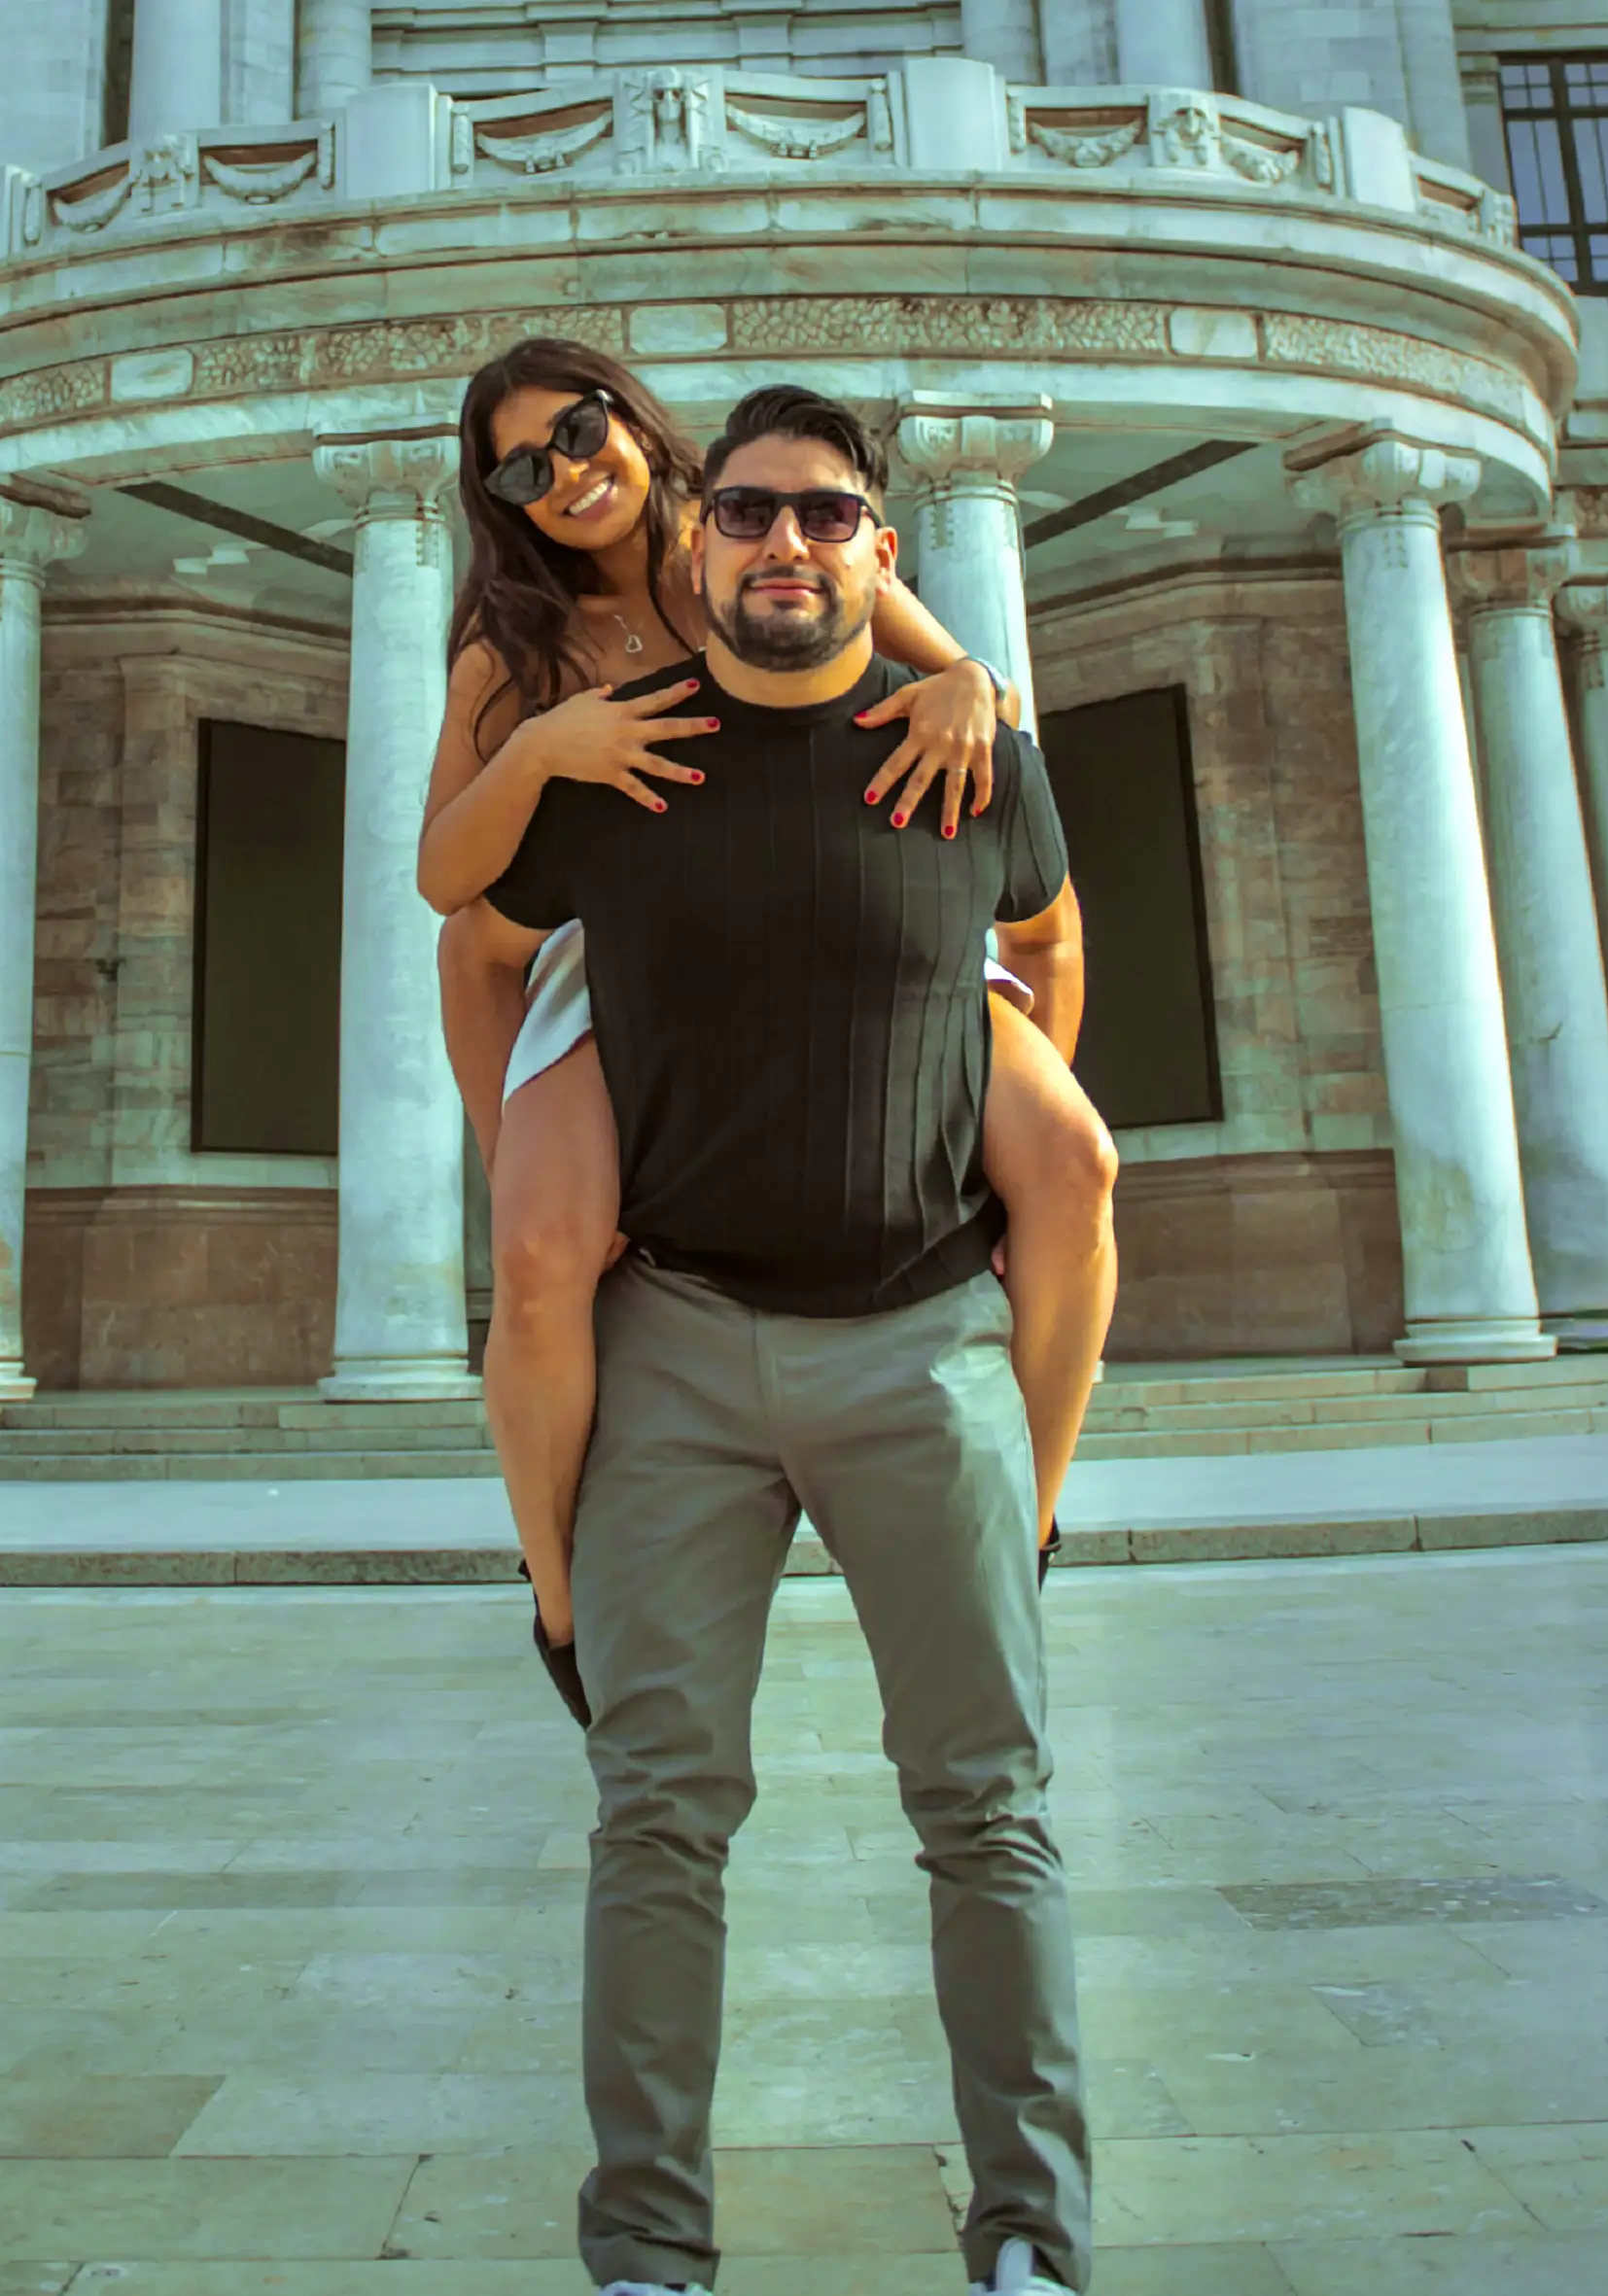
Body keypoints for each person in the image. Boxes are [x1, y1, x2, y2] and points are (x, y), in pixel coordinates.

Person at [448, 385, 1092, 2296]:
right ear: (702, 534)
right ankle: (646, 2248)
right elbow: (467, 915)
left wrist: (998, 1079)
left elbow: (1051, 934)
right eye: (748, 513)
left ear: (878, 548)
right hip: (677, 1350)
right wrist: (511, 1118)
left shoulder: (968, 749)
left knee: (987, 1810)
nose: (782, 542)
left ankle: (1031, 2235)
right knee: (655, 1815)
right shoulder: (607, 756)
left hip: (923, 1347)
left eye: (821, 514)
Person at [421, 337, 1118, 1673]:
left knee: (1077, 1161)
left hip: (860, 923)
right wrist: (544, 746)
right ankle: (562, 1604)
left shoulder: (759, 537)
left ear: (632, 419)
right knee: (539, 1254)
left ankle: (1024, 1523)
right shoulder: (510, 655)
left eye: (579, 432)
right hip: (638, 953)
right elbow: (448, 888)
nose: (564, 473)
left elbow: (969, 683)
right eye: (520, 469)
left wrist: (964, 685)